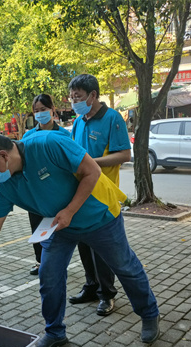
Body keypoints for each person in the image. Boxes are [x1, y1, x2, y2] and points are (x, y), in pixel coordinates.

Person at [0, 132, 160, 347]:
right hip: (59, 227)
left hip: (100, 218)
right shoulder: (6, 185)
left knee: (124, 266)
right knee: (49, 275)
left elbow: (92, 171)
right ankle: (55, 332)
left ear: (3, 155)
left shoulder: (47, 144)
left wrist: (70, 211)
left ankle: (149, 314)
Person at [67, 74, 132, 316]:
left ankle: (107, 294)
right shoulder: (79, 121)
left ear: (93, 96)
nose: (74, 101)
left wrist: (91, 163)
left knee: (102, 248)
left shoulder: (112, 118)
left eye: (79, 97)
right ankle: (91, 286)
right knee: (84, 244)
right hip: (80, 193)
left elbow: (124, 155)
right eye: (72, 97)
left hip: (103, 194)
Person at [22, 94, 71, 275]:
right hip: (35, 192)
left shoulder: (64, 135)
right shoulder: (28, 136)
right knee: (37, 228)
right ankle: (39, 261)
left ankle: (58, 262)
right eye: (36, 111)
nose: (40, 114)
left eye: (43, 109)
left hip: (58, 191)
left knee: (59, 229)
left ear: (52, 110)